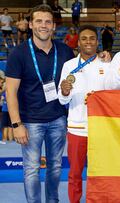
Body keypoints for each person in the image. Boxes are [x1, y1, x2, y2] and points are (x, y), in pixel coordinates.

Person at [5, 4, 75, 203]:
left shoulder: (65, 51)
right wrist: (17, 124)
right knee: (31, 169)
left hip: (58, 119)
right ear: (30, 24)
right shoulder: (18, 53)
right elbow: (11, 91)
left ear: (54, 26)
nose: (43, 25)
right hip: (30, 122)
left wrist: (102, 58)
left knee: (55, 167)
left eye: (47, 22)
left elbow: (79, 73)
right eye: (39, 21)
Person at [58, 24, 111, 203]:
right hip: (77, 128)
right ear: (78, 42)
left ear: (97, 42)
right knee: (74, 173)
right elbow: (62, 99)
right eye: (84, 39)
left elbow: (114, 93)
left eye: (92, 38)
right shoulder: (69, 66)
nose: (88, 42)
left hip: (102, 129)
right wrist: (65, 91)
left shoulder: (107, 64)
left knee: (101, 173)